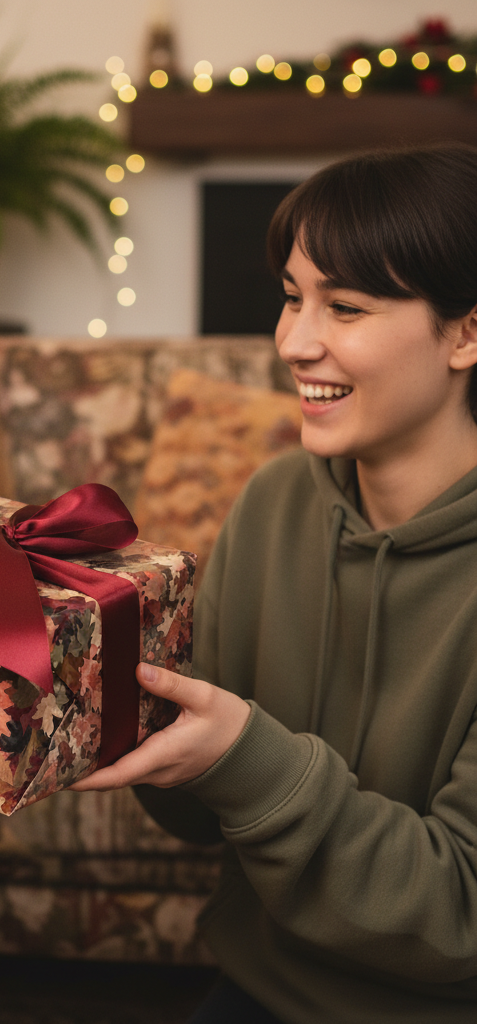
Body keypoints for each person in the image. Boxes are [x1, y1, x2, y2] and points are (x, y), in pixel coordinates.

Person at [73, 142, 477, 1023]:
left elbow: (460, 918)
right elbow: (200, 816)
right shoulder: (278, 500)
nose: (294, 343)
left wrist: (248, 758)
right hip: (257, 986)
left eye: (347, 307)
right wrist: (112, 696)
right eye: (294, 298)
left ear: (468, 332)